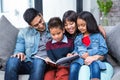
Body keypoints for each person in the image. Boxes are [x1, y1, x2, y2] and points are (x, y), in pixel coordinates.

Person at [62, 10, 113, 80]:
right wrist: (72, 54)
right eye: (79, 25)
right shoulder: (78, 37)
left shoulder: (97, 36)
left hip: (93, 59)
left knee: (95, 65)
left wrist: (89, 54)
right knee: (73, 66)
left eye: (82, 25)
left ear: (89, 24)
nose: (80, 28)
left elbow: (104, 49)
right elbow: (76, 49)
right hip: (80, 59)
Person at [5, 8, 51, 80]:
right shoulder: (24, 33)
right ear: (30, 25)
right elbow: (18, 49)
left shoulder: (53, 26)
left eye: (40, 21)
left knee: (38, 62)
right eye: (36, 25)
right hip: (29, 62)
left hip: (44, 63)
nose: (41, 25)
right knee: (12, 60)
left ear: (41, 15)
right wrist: (19, 53)